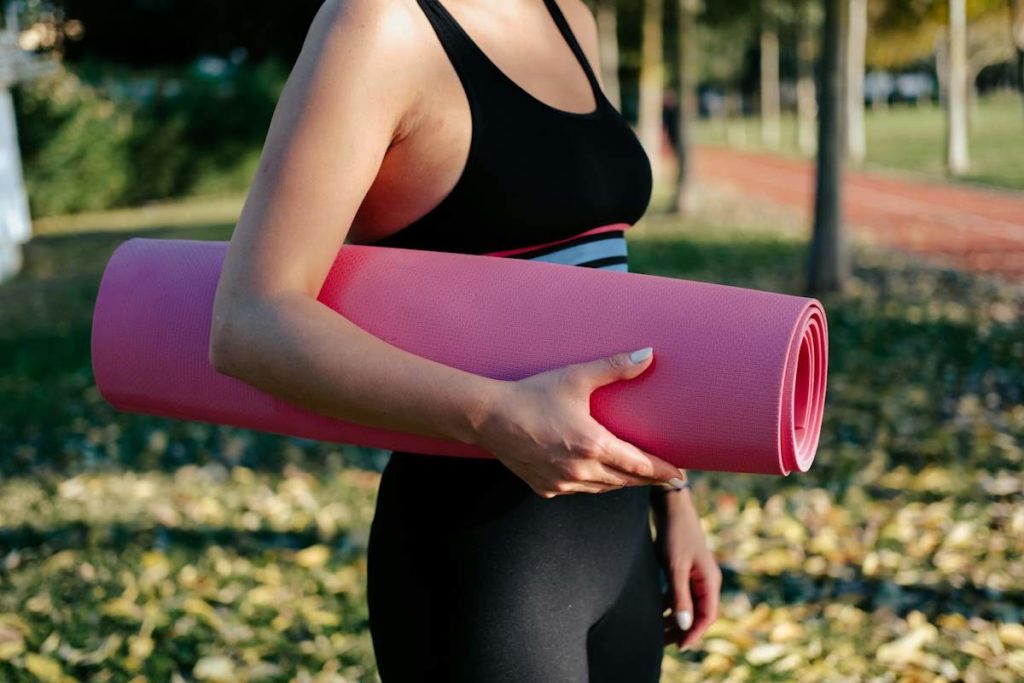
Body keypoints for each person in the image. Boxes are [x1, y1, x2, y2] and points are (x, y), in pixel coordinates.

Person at [208, 0, 721, 680]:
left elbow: (603, 284)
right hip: (485, 559)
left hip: (618, 534)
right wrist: (493, 414)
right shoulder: (376, 23)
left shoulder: (568, 15)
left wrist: (673, 494)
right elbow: (249, 318)